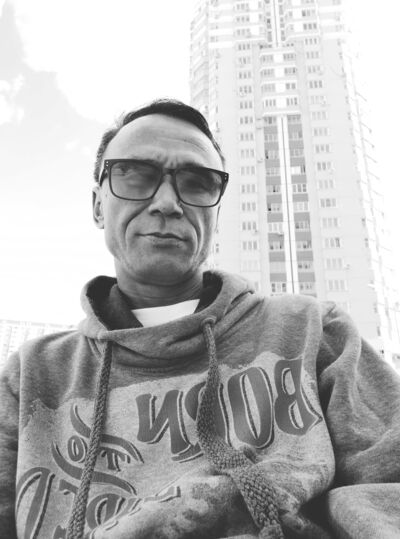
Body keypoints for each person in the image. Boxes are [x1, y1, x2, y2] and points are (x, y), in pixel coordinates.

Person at [0, 99, 399, 539]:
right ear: (97, 205)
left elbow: (389, 487)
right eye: (136, 175)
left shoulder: (314, 330)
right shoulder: (31, 375)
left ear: (216, 213)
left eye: (197, 183)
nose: (167, 203)